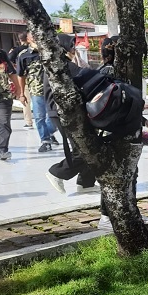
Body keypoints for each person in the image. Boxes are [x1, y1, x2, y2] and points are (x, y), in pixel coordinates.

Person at [96, 36, 148, 229]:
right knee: (117, 174)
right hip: (115, 132)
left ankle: (131, 213)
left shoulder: (113, 71)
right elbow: (117, 106)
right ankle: (106, 216)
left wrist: (143, 121)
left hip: (123, 129)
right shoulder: (110, 73)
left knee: (130, 174)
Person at [45, 34, 97, 193]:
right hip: (63, 113)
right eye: (71, 45)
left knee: (88, 145)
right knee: (85, 149)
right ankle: (57, 172)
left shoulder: (55, 63)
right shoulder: (60, 65)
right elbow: (87, 75)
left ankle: (86, 183)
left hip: (66, 112)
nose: (74, 49)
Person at [17, 31, 59, 152]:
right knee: (39, 117)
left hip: (52, 90)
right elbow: (21, 75)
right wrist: (21, 94)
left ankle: (49, 132)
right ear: (28, 39)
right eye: (32, 36)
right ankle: (45, 140)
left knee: (54, 116)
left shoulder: (48, 52)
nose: (35, 38)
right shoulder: (23, 55)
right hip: (36, 91)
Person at [0, 48, 20, 161]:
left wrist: (18, 89)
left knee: (4, 123)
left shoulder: (0, 54)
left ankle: (3, 149)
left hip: (3, 95)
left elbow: (11, 72)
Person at [8, 32, 32, 129]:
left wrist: (15, 67)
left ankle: (28, 122)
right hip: (35, 77)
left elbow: (9, 58)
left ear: (20, 40)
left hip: (23, 76)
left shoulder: (17, 50)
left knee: (26, 100)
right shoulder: (33, 49)